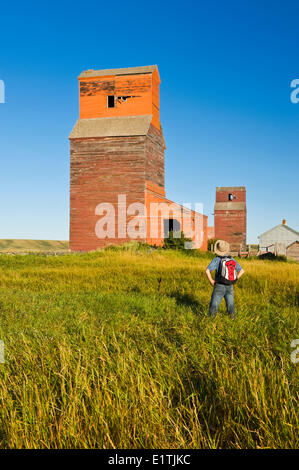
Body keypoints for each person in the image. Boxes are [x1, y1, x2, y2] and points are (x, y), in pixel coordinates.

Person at [205, 240, 245, 319]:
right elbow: (242, 271)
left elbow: (207, 271)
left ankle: (210, 321)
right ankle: (233, 320)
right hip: (230, 285)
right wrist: (234, 279)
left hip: (219, 285)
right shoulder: (231, 259)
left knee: (214, 305)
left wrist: (212, 281)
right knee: (230, 305)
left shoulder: (217, 259)